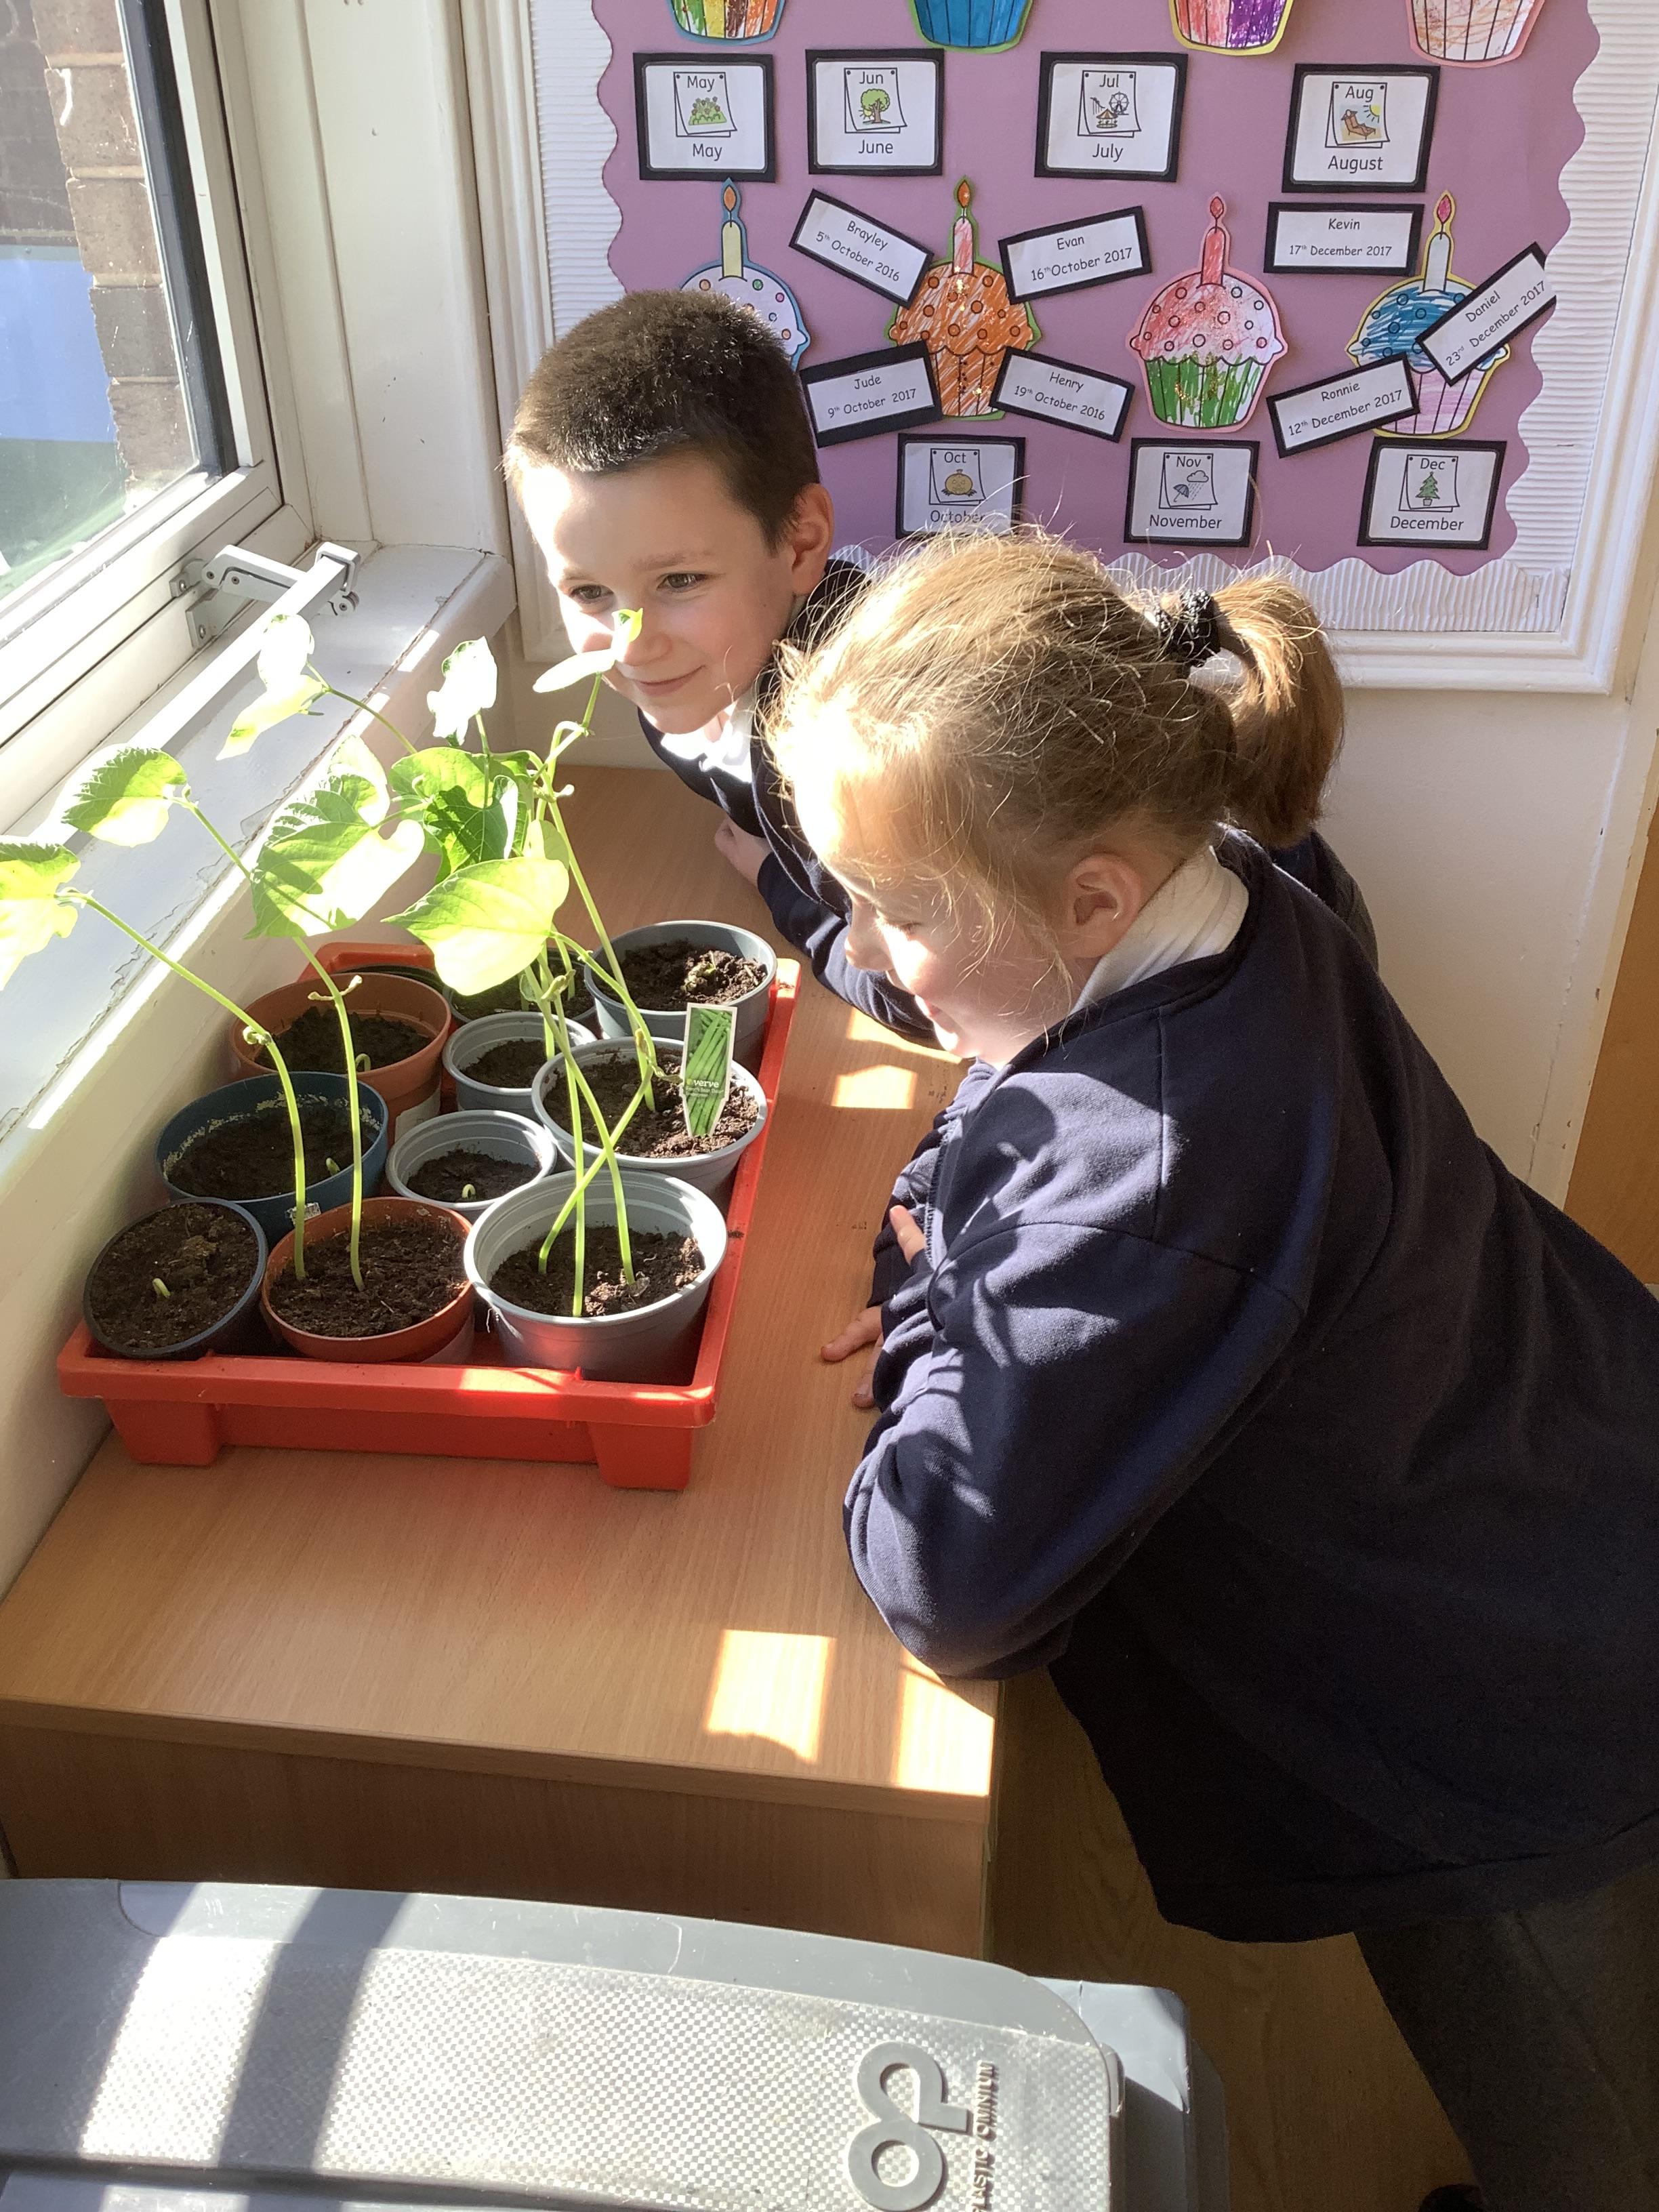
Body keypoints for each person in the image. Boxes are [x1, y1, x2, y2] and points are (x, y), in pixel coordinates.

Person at [771, 531, 1659, 2212]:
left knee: (1589, 2113)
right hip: (1570, 1453)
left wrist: (936, 1318)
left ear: (1091, 898)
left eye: (900, 911)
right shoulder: (1248, 880)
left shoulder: (1153, 1185)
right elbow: (1013, 1097)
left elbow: (944, 1580)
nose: (864, 950)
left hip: (1520, 1700)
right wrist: (962, 1237)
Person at [503, 291, 1376, 1049]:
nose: (631, 641)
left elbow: (924, 997)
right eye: (587, 591)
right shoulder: (696, 676)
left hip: (1249, 989)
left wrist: (782, 887)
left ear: (801, 542)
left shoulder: (860, 738)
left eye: (680, 582)